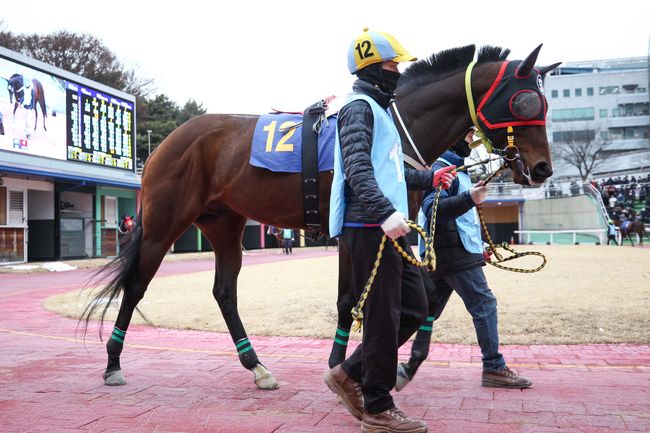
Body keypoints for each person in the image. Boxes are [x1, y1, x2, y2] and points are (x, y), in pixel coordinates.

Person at [323, 28, 456, 433]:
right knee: (384, 317)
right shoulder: (358, 108)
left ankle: (348, 372)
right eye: (392, 63)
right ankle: (378, 406)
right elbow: (359, 171)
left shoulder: (379, 111)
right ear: (372, 67)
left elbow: (388, 172)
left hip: (385, 227)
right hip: (369, 228)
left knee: (418, 305)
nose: (398, 70)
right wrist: (384, 213)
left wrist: (430, 178)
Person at [397, 128, 532, 391]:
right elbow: (432, 209)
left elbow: (462, 219)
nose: (472, 142)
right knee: (484, 303)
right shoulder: (443, 167)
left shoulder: (458, 169)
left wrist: (478, 245)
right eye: (469, 137)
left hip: (449, 251)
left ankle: (372, 363)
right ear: (456, 138)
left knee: (424, 313)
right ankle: (493, 367)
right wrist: (470, 198)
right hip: (451, 253)